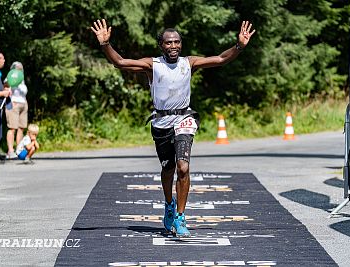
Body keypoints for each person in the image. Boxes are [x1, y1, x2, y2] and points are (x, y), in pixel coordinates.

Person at [91, 19, 255, 237]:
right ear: (161, 46)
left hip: (184, 119)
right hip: (160, 123)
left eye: (177, 42)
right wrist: (105, 45)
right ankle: (169, 204)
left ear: (181, 44)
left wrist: (239, 47)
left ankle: (180, 216)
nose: (173, 46)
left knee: (183, 167)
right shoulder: (153, 65)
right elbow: (120, 62)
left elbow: (221, 59)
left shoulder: (189, 63)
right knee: (168, 169)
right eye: (168, 43)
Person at [5, 61, 28, 159]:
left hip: (23, 104)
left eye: (20, 68)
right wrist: (10, 100)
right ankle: (10, 151)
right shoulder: (10, 77)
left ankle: (19, 149)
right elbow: (6, 88)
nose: (19, 69)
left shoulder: (22, 79)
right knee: (12, 128)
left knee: (21, 128)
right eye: (17, 67)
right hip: (14, 104)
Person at [0, 53, 11, 147]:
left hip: (0, 107)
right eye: (2, 58)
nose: (4, 60)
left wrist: (4, 90)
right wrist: (3, 93)